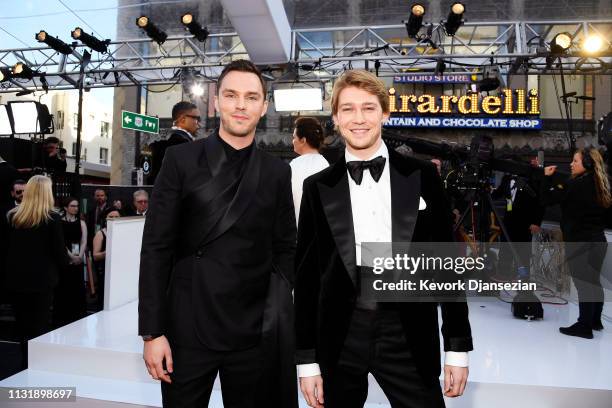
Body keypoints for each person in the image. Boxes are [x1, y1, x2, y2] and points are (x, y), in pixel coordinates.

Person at [294, 70, 473, 408]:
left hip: (407, 330)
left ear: (385, 113)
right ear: (335, 118)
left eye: (368, 108)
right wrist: (307, 360)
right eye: (347, 109)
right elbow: (306, 280)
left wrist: (457, 347)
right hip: (340, 334)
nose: (358, 119)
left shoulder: (422, 176)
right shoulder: (316, 187)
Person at [139, 59, 297, 408]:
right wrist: (153, 331)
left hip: (253, 332)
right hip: (186, 329)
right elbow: (156, 248)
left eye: (251, 97)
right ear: (216, 102)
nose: (241, 105)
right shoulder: (180, 160)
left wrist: (273, 306)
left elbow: (286, 245)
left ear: (263, 106)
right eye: (231, 95)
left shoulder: (276, 172)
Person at [542, 148, 612, 339]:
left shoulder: (575, 185)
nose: (571, 164)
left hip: (580, 243)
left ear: (587, 164)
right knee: (594, 282)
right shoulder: (600, 184)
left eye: (575, 161)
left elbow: (547, 199)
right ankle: (595, 321)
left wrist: (547, 178)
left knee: (584, 285)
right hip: (598, 241)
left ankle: (584, 326)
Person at [3, 175, 68, 368]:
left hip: (16, 282)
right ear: (46, 193)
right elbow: (59, 254)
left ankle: (24, 365)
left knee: (22, 326)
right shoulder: (52, 219)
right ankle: (35, 367)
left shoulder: (13, 217)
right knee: (39, 327)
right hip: (42, 283)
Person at [492, 158, 545, 279]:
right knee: (505, 248)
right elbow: (498, 193)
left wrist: (536, 222)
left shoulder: (532, 180)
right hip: (508, 220)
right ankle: (503, 274)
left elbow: (540, 203)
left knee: (523, 251)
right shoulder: (506, 179)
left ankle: (523, 277)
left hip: (525, 222)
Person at [53, 197, 88, 328]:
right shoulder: (59, 223)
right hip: (65, 260)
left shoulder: (81, 223)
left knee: (77, 287)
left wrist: (79, 256)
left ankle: (77, 316)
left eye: (77, 206)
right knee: (63, 287)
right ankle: (62, 317)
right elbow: (60, 242)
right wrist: (71, 256)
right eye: (73, 206)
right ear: (66, 208)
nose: (76, 208)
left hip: (78, 260)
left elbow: (84, 240)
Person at [290, 117, 329, 223]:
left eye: (294, 137)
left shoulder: (294, 165)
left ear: (303, 140)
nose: (293, 141)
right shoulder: (325, 164)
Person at [92, 206, 121, 311]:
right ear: (105, 218)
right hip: (105, 273)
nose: (114, 218)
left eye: (117, 216)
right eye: (111, 216)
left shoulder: (123, 232)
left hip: (119, 272)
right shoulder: (100, 234)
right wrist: (108, 252)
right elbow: (95, 256)